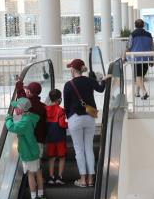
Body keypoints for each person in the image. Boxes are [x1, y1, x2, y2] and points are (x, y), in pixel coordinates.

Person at [63, 59, 110, 187]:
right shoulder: (90, 81)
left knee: (79, 150)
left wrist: (70, 118)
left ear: (73, 70)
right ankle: (91, 179)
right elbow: (101, 89)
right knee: (88, 148)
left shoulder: (68, 84)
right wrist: (104, 79)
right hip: (89, 117)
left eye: (70, 69)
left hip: (75, 118)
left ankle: (83, 180)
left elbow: (66, 105)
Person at [5, 97, 47, 199]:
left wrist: (8, 118)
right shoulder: (31, 118)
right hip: (34, 150)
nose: (16, 109)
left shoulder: (24, 122)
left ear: (22, 109)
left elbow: (12, 127)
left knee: (30, 175)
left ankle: (34, 198)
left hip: (28, 152)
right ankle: (41, 197)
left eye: (17, 107)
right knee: (38, 172)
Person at [125, 19, 154, 100]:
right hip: (146, 58)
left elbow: (129, 46)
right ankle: (137, 92)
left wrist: (124, 56)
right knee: (140, 76)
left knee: (138, 77)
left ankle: (144, 92)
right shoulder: (149, 35)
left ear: (135, 25)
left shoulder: (132, 35)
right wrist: (152, 59)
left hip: (136, 59)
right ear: (143, 25)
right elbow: (152, 47)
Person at [15, 80, 47, 154]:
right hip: (40, 139)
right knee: (37, 163)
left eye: (26, 90)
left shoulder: (27, 103)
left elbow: (21, 96)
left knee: (29, 163)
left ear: (29, 92)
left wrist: (19, 84)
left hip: (29, 140)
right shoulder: (43, 106)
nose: (25, 92)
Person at [45, 89, 68, 185]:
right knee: (62, 157)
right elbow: (62, 124)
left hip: (49, 137)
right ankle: (59, 177)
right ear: (59, 98)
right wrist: (68, 125)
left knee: (51, 158)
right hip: (60, 137)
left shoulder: (45, 109)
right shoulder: (61, 110)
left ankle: (51, 177)